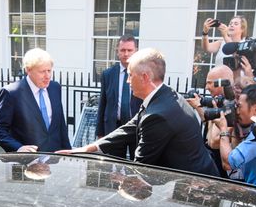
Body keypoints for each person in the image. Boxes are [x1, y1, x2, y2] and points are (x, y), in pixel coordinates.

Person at [59, 48, 219, 177]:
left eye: (130, 75)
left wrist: (119, 178)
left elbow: (141, 170)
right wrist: (90, 148)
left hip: (194, 188)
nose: (127, 81)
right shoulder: (165, 94)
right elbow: (130, 126)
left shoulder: (158, 115)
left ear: (144, 77)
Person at [0, 48, 71, 153]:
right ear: (28, 70)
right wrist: (18, 148)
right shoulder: (12, 93)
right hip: (27, 162)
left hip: (55, 158)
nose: (47, 76)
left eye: (49, 70)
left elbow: (60, 124)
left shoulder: (55, 87)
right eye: (42, 71)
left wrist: (68, 152)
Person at [96, 35, 142, 157]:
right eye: (122, 50)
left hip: (136, 129)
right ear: (117, 52)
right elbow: (103, 104)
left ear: (136, 51)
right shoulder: (108, 74)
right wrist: (100, 132)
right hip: (114, 127)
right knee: (113, 167)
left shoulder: (143, 74)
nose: (126, 53)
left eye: (129, 50)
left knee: (136, 165)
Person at [186, 65, 236, 178]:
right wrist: (200, 107)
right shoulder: (218, 101)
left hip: (224, 170)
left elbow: (213, 142)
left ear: (222, 82)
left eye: (209, 83)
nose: (206, 87)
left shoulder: (233, 105)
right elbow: (207, 125)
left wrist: (200, 107)